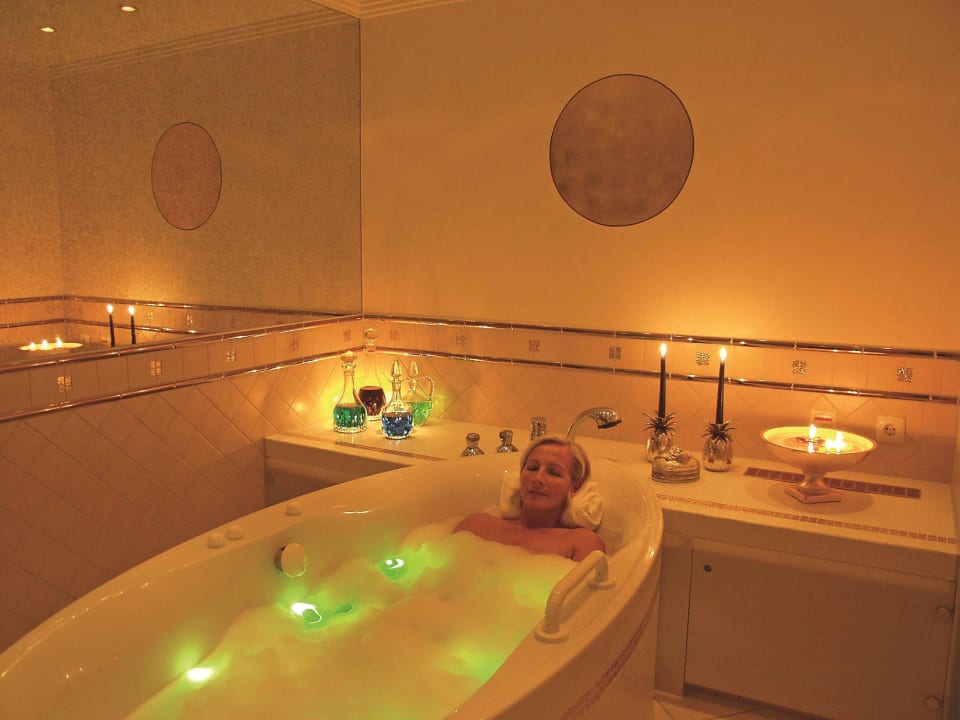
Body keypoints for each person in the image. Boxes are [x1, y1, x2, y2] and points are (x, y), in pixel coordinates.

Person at [454, 434, 605, 561]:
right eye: (532, 468)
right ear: (521, 475)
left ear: (575, 487)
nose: (538, 478)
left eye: (554, 472)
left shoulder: (580, 543)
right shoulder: (476, 526)